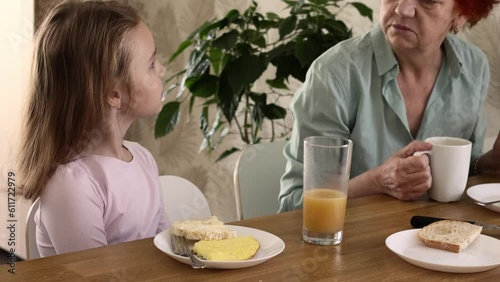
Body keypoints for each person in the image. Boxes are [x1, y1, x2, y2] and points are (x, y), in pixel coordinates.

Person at [279, 0, 500, 212]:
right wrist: (377, 182)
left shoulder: (473, 66)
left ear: (462, 14)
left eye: (428, 1)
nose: (403, 9)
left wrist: (487, 164)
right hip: (352, 244)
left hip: (433, 241)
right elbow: (295, 204)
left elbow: (464, 172)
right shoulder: (334, 74)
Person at [18, 0, 169, 256]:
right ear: (114, 94)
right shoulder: (72, 184)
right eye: (151, 64)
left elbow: (163, 250)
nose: (162, 70)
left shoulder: (142, 159)